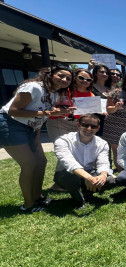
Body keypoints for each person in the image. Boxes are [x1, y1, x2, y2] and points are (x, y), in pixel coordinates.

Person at [0, 65, 73, 212]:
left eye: (68, 78)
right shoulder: (33, 87)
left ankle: (38, 196)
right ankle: (28, 204)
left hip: (32, 128)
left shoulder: (55, 94)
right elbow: (14, 110)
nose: (65, 79)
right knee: (30, 164)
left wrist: (37, 134)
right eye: (61, 75)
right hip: (11, 124)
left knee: (41, 162)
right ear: (50, 74)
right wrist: (46, 112)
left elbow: (43, 116)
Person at [53, 114, 115, 208]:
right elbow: (70, 164)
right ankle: (79, 201)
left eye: (93, 126)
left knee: (109, 179)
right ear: (78, 125)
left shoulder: (102, 143)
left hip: (89, 172)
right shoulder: (63, 140)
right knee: (71, 178)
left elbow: (103, 163)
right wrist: (89, 178)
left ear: (98, 128)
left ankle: (87, 195)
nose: (89, 129)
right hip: (66, 174)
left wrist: (102, 175)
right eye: (85, 125)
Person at [91, 64, 113, 136]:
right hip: (93, 121)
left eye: (106, 73)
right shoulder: (90, 87)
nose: (104, 74)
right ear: (95, 73)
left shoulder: (111, 89)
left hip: (108, 122)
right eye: (101, 72)